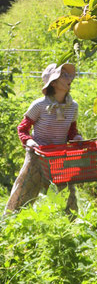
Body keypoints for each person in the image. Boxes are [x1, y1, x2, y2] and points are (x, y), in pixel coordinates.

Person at [3, 62, 83, 216]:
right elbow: (23, 128)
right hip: (37, 155)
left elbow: (71, 130)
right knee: (25, 189)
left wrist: (76, 138)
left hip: (59, 156)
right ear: (53, 82)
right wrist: (29, 141)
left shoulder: (73, 106)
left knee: (67, 192)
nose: (69, 78)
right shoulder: (39, 105)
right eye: (64, 76)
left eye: (69, 75)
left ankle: (72, 224)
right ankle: (11, 221)